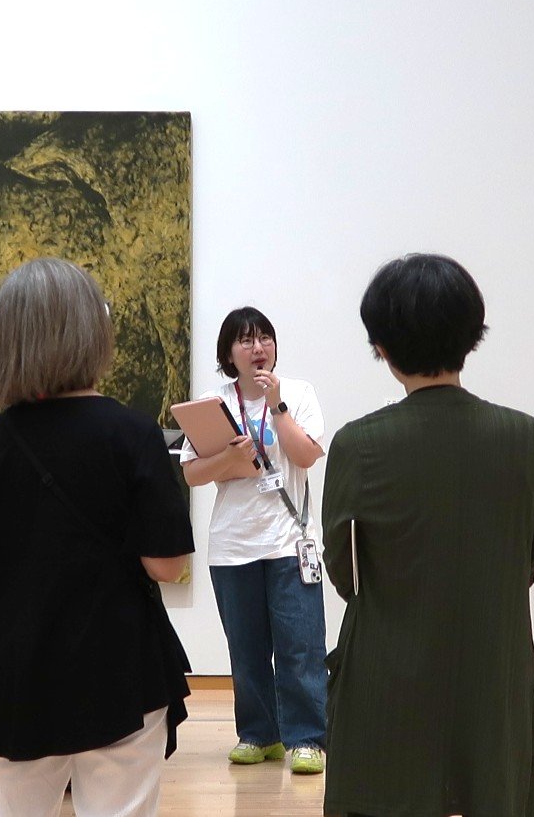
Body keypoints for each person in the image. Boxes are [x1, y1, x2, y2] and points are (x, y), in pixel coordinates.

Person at [0, 257, 194, 817]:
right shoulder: (132, 433)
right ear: (92, 331)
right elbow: (167, 565)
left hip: (12, 671)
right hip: (116, 668)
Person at [321, 253, 534, 817]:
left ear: (382, 346)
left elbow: (344, 570)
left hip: (387, 672)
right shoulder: (522, 435)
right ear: (472, 334)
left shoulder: (358, 444)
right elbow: (531, 554)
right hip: (493, 671)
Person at [180, 307, 328, 774]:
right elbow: (192, 474)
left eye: (265, 338)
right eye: (245, 340)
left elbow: (305, 455)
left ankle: (307, 739)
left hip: (290, 542)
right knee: (246, 651)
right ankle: (260, 735)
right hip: (233, 545)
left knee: (300, 646)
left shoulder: (298, 393)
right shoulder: (213, 402)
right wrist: (229, 459)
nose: (258, 348)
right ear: (229, 354)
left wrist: (278, 406)